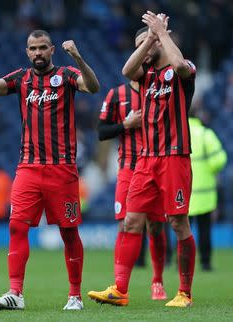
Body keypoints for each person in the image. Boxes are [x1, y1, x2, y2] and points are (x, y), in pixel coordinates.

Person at [0, 29, 99, 310]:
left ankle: (75, 296)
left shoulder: (67, 75)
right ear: (27, 52)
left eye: (43, 48)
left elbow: (93, 86)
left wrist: (78, 57)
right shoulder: (20, 79)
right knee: (17, 226)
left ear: (52, 50)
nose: (38, 53)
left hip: (62, 169)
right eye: (33, 48)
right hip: (28, 168)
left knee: (69, 233)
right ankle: (15, 293)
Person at [102, 11, 197, 308]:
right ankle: (120, 289)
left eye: (149, 40)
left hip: (174, 158)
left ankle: (184, 293)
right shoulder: (146, 77)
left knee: (177, 223)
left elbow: (180, 65)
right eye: (140, 42)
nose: (146, 44)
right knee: (131, 222)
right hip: (146, 159)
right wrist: (149, 39)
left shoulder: (182, 72)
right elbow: (127, 70)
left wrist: (162, 34)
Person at [88, 78, 168, 303]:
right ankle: (119, 286)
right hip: (128, 168)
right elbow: (102, 132)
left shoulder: (159, 91)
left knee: (155, 226)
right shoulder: (117, 94)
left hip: (155, 168)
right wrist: (125, 124)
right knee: (124, 224)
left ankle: (157, 280)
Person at [188, 106, 227, 271]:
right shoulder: (205, 134)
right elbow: (220, 159)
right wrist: (210, 168)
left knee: (183, 231)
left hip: (183, 193)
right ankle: (205, 262)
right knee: (205, 230)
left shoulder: (177, 133)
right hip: (204, 194)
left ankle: (181, 263)